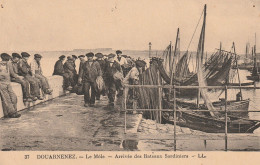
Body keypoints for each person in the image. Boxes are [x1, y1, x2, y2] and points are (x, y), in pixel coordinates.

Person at [0, 53, 21, 118]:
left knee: (13, 97)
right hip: (2, 84)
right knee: (7, 99)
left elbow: (12, 73)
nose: (5, 62)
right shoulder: (4, 64)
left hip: (8, 83)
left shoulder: (8, 64)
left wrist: (17, 76)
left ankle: (15, 111)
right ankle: (12, 113)